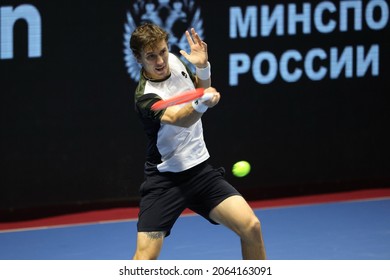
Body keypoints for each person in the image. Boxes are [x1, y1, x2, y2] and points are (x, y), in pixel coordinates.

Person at [129, 22, 266, 260]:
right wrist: (202, 102)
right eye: (151, 56)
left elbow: (200, 89)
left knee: (251, 227)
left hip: (201, 172)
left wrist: (203, 68)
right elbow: (179, 118)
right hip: (165, 180)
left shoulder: (174, 61)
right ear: (138, 58)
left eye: (162, 51)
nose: (160, 61)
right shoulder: (145, 96)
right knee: (144, 259)